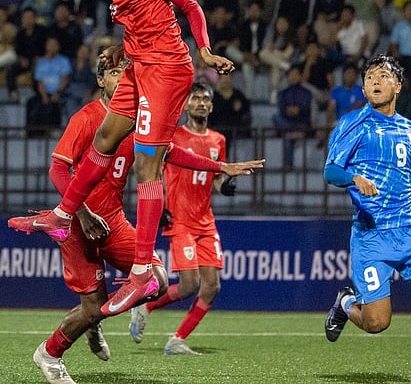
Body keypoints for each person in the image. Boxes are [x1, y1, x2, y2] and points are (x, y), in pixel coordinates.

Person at [9, 0, 236, 316]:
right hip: (137, 65)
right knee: (105, 137)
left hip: (166, 70)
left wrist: (204, 50)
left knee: (148, 166)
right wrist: (121, 46)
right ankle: (63, 214)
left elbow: (188, 6)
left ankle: (141, 273)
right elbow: (147, 20)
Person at [25, 61, 259, 383]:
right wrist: (80, 212)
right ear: (101, 80)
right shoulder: (87, 118)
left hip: (114, 222)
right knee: (92, 309)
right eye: (114, 73)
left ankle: (94, 321)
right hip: (81, 225)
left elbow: (169, 152)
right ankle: (50, 353)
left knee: (157, 279)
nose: (122, 78)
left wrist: (221, 168)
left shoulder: (137, 121)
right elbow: (57, 169)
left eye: (126, 72)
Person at [128, 83, 235, 355]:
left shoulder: (218, 140)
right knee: (189, 284)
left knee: (212, 286)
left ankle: (177, 340)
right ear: (186, 105)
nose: (201, 103)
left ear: (211, 105)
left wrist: (226, 187)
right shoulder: (173, 137)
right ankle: (146, 305)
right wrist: (159, 203)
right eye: (195, 98)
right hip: (181, 220)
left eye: (205, 99)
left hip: (206, 222)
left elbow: (216, 179)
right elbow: (150, 169)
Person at [324, 55, 411, 342]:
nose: (375, 80)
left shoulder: (409, 128)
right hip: (372, 236)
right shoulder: (353, 123)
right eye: (370, 77)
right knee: (377, 322)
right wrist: (354, 179)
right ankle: (345, 303)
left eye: (383, 75)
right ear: (363, 89)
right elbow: (330, 171)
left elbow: (405, 173)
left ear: (398, 86)